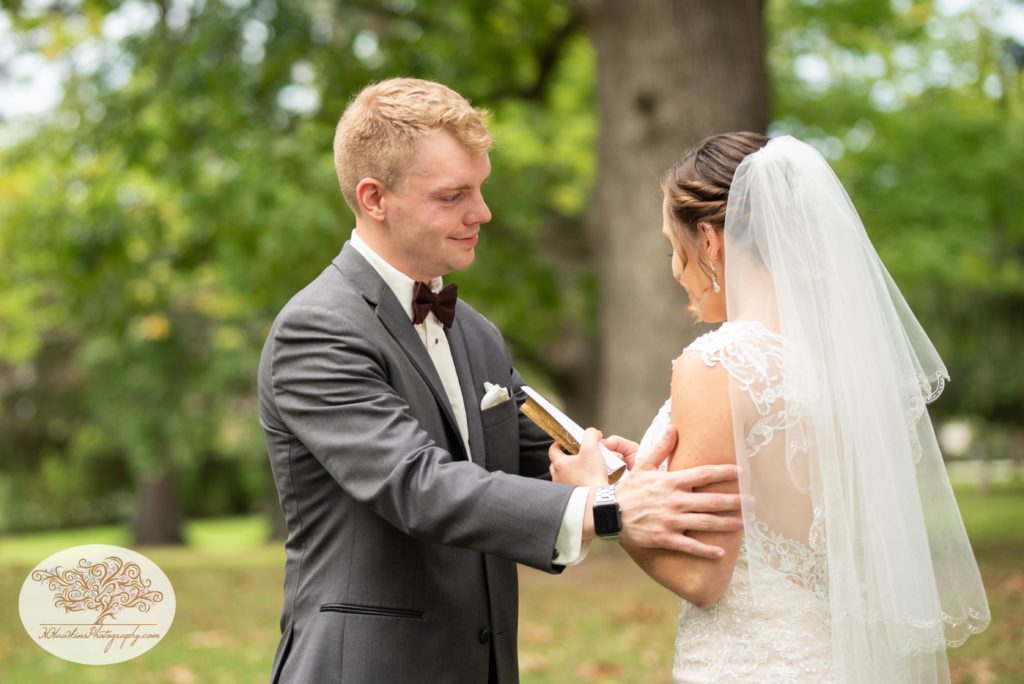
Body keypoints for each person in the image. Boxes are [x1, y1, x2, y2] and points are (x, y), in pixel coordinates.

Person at [257, 77, 744, 684]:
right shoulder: (317, 329)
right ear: (374, 197)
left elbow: (532, 455)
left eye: (480, 189)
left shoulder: (476, 332)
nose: (481, 213)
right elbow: (417, 485)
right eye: (454, 195)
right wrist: (609, 508)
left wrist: (621, 469)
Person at [550, 132, 991, 682]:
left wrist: (600, 498)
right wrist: (650, 476)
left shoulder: (719, 362)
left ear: (710, 239)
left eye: (672, 245)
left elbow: (702, 578)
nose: (673, 267)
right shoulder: (846, 363)